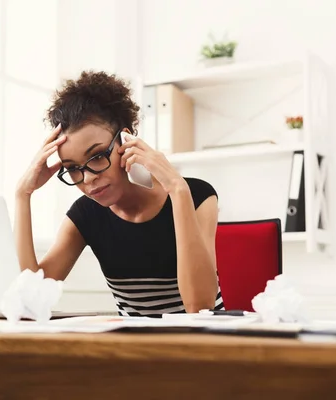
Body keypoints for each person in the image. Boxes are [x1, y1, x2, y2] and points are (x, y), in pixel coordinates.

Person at [15, 71, 224, 317]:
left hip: (202, 347)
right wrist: (22, 194)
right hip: (131, 351)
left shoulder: (197, 196)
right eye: (72, 168)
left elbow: (199, 308)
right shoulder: (85, 214)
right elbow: (33, 299)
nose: (89, 178)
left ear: (125, 141)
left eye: (98, 156)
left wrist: (178, 190)